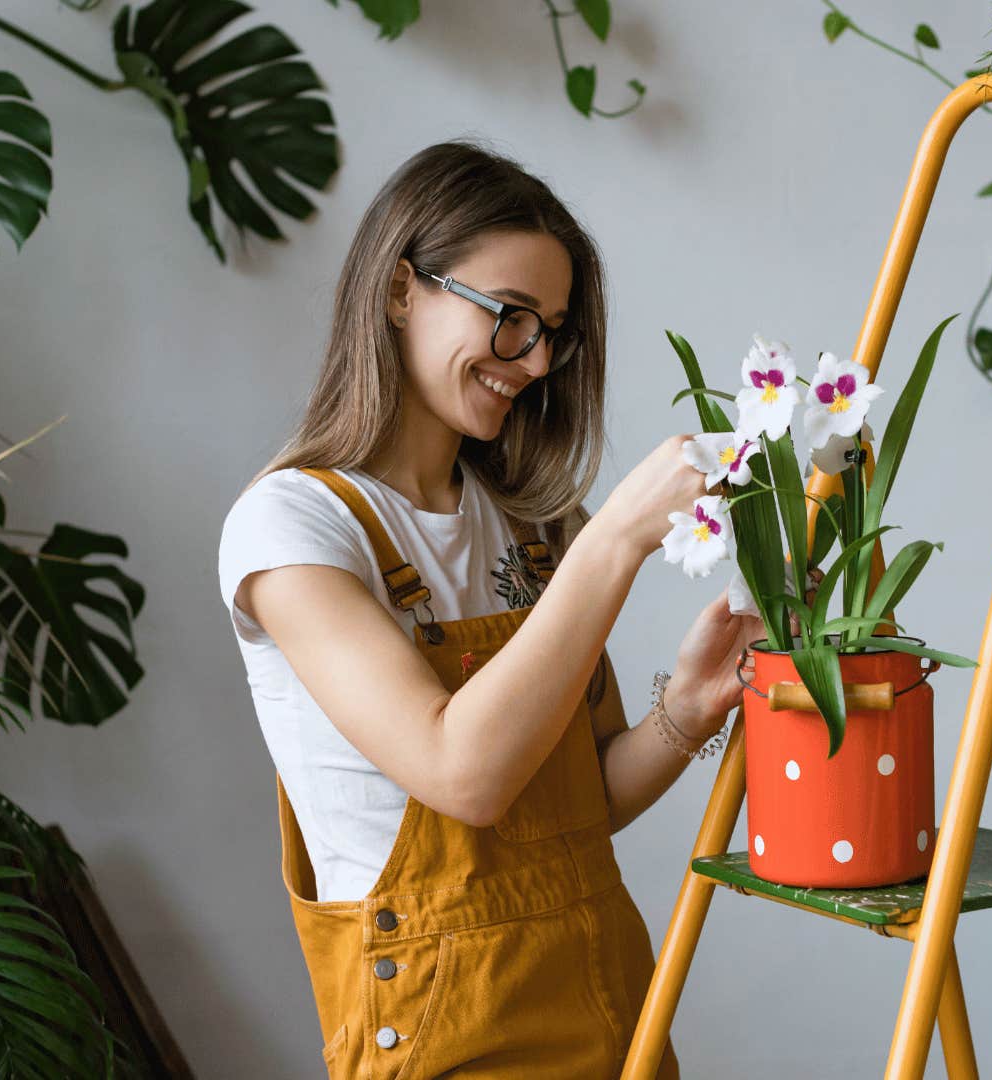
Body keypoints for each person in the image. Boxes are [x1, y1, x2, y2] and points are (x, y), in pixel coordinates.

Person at [217, 139, 760, 1079]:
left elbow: (581, 804)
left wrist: (687, 711)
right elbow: (462, 775)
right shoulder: (291, 526)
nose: (536, 359)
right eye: (511, 317)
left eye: (552, 330)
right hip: (443, 1031)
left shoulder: (535, 525)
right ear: (399, 291)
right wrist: (619, 537)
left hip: (608, 1001)